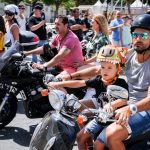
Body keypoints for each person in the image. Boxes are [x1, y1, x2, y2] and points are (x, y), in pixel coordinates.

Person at [87, 14, 150, 150]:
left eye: (143, 36)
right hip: (129, 106)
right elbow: (102, 67)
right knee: (97, 143)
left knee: (112, 135)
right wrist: (71, 76)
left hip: (146, 110)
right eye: (135, 35)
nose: (138, 39)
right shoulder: (129, 54)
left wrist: (129, 108)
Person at [48, 45, 128, 111]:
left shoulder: (121, 83)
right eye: (103, 67)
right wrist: (58, 84)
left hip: (114, 113)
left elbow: (124, 100)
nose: (105, 71)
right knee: (74, 107)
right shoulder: (98, 79)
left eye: (109, 68)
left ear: (118, 69)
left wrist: (111, 105)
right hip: (99, 104)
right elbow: (80, 83)